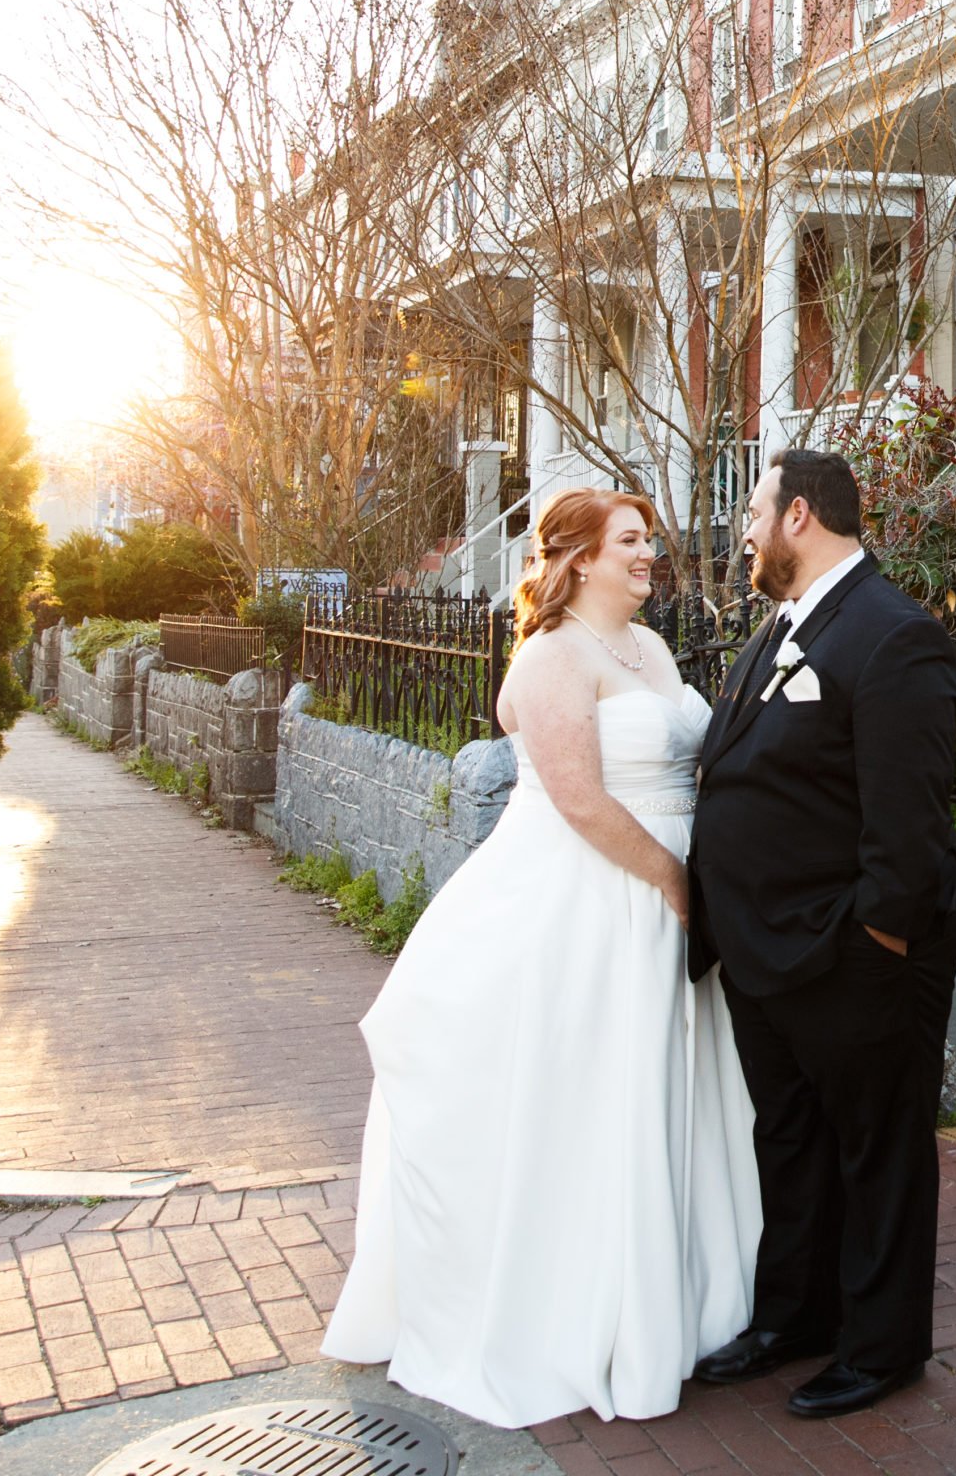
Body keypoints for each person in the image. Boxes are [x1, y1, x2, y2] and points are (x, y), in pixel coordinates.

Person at [322, 489, 758, 1428]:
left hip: (668, 898)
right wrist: (676, 886)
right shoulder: (551, 656)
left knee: (659, 1094)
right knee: (594, 1095)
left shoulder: (652, 650)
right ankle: (572, 1314)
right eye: (632, 542)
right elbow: (581, 801)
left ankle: (681, 1301)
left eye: (650, 541)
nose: (650, 555)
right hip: (602, 899)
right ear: (581, 556)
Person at [684, 447, 956, 1419]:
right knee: (790, 1139)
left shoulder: (893, 633)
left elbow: (905, 824)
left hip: (852, 950)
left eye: (752, 509)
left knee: (880, 1150)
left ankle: (883, 1347)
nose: (742, 528)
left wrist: (878, 944)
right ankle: (797, 1315)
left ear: (799, 515)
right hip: (765, 951)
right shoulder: (779, 627)